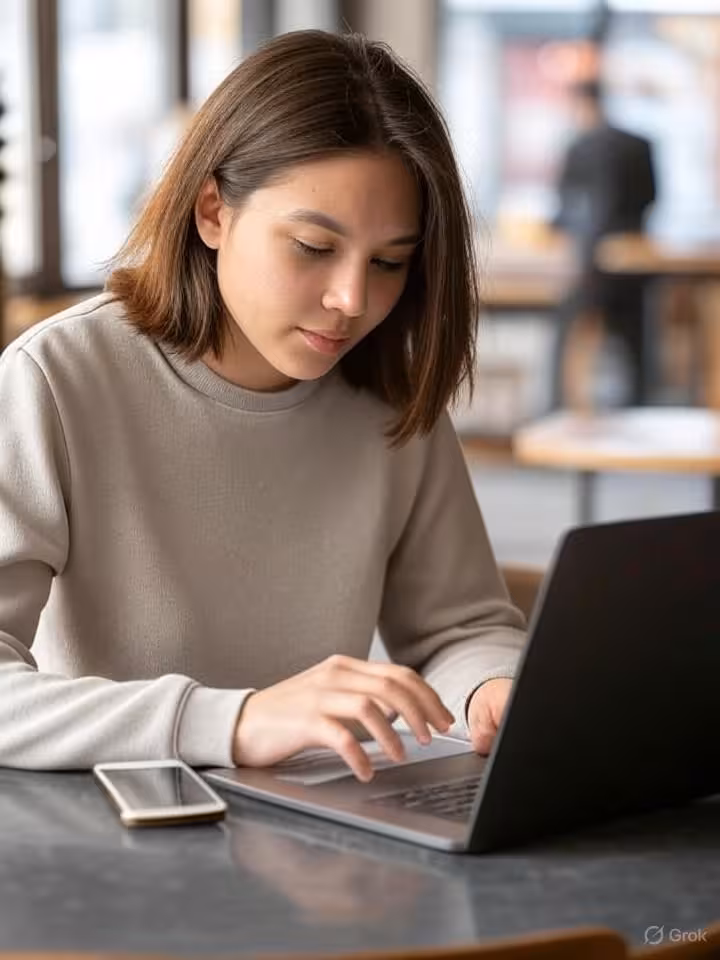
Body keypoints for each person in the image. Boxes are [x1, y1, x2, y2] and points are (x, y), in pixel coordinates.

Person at [0, 31, 526, 781]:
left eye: (389, 263)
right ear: (212, 212)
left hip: (311, 833)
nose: (352, 300)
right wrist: (235, 721)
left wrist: (490, 685)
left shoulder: (387, 399)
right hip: (110, 831)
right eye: (313, 246)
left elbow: (461, 626)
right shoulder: (57, 378)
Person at [551, 78, 656, 408]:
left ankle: (560, 408)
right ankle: (638, 410)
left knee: (567, 338)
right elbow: (652, 197)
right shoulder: (639, 144)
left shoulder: (577, 146)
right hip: (633, 265)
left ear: (581, 103)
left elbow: (565, 210)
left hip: (588, 266)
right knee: (636, 346)